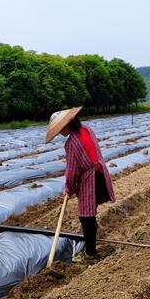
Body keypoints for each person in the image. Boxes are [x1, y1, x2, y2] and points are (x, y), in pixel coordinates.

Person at [46, 106, 115, 263]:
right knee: (90, 215)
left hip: (90, 178)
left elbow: (72, 170)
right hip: (100, 173)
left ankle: (90, 254)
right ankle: (90, 248)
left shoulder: (71, 143)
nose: (60, 133)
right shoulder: (87, 129)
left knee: (86, 216)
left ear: (66, 124)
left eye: (60, 129)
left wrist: (69, 187)